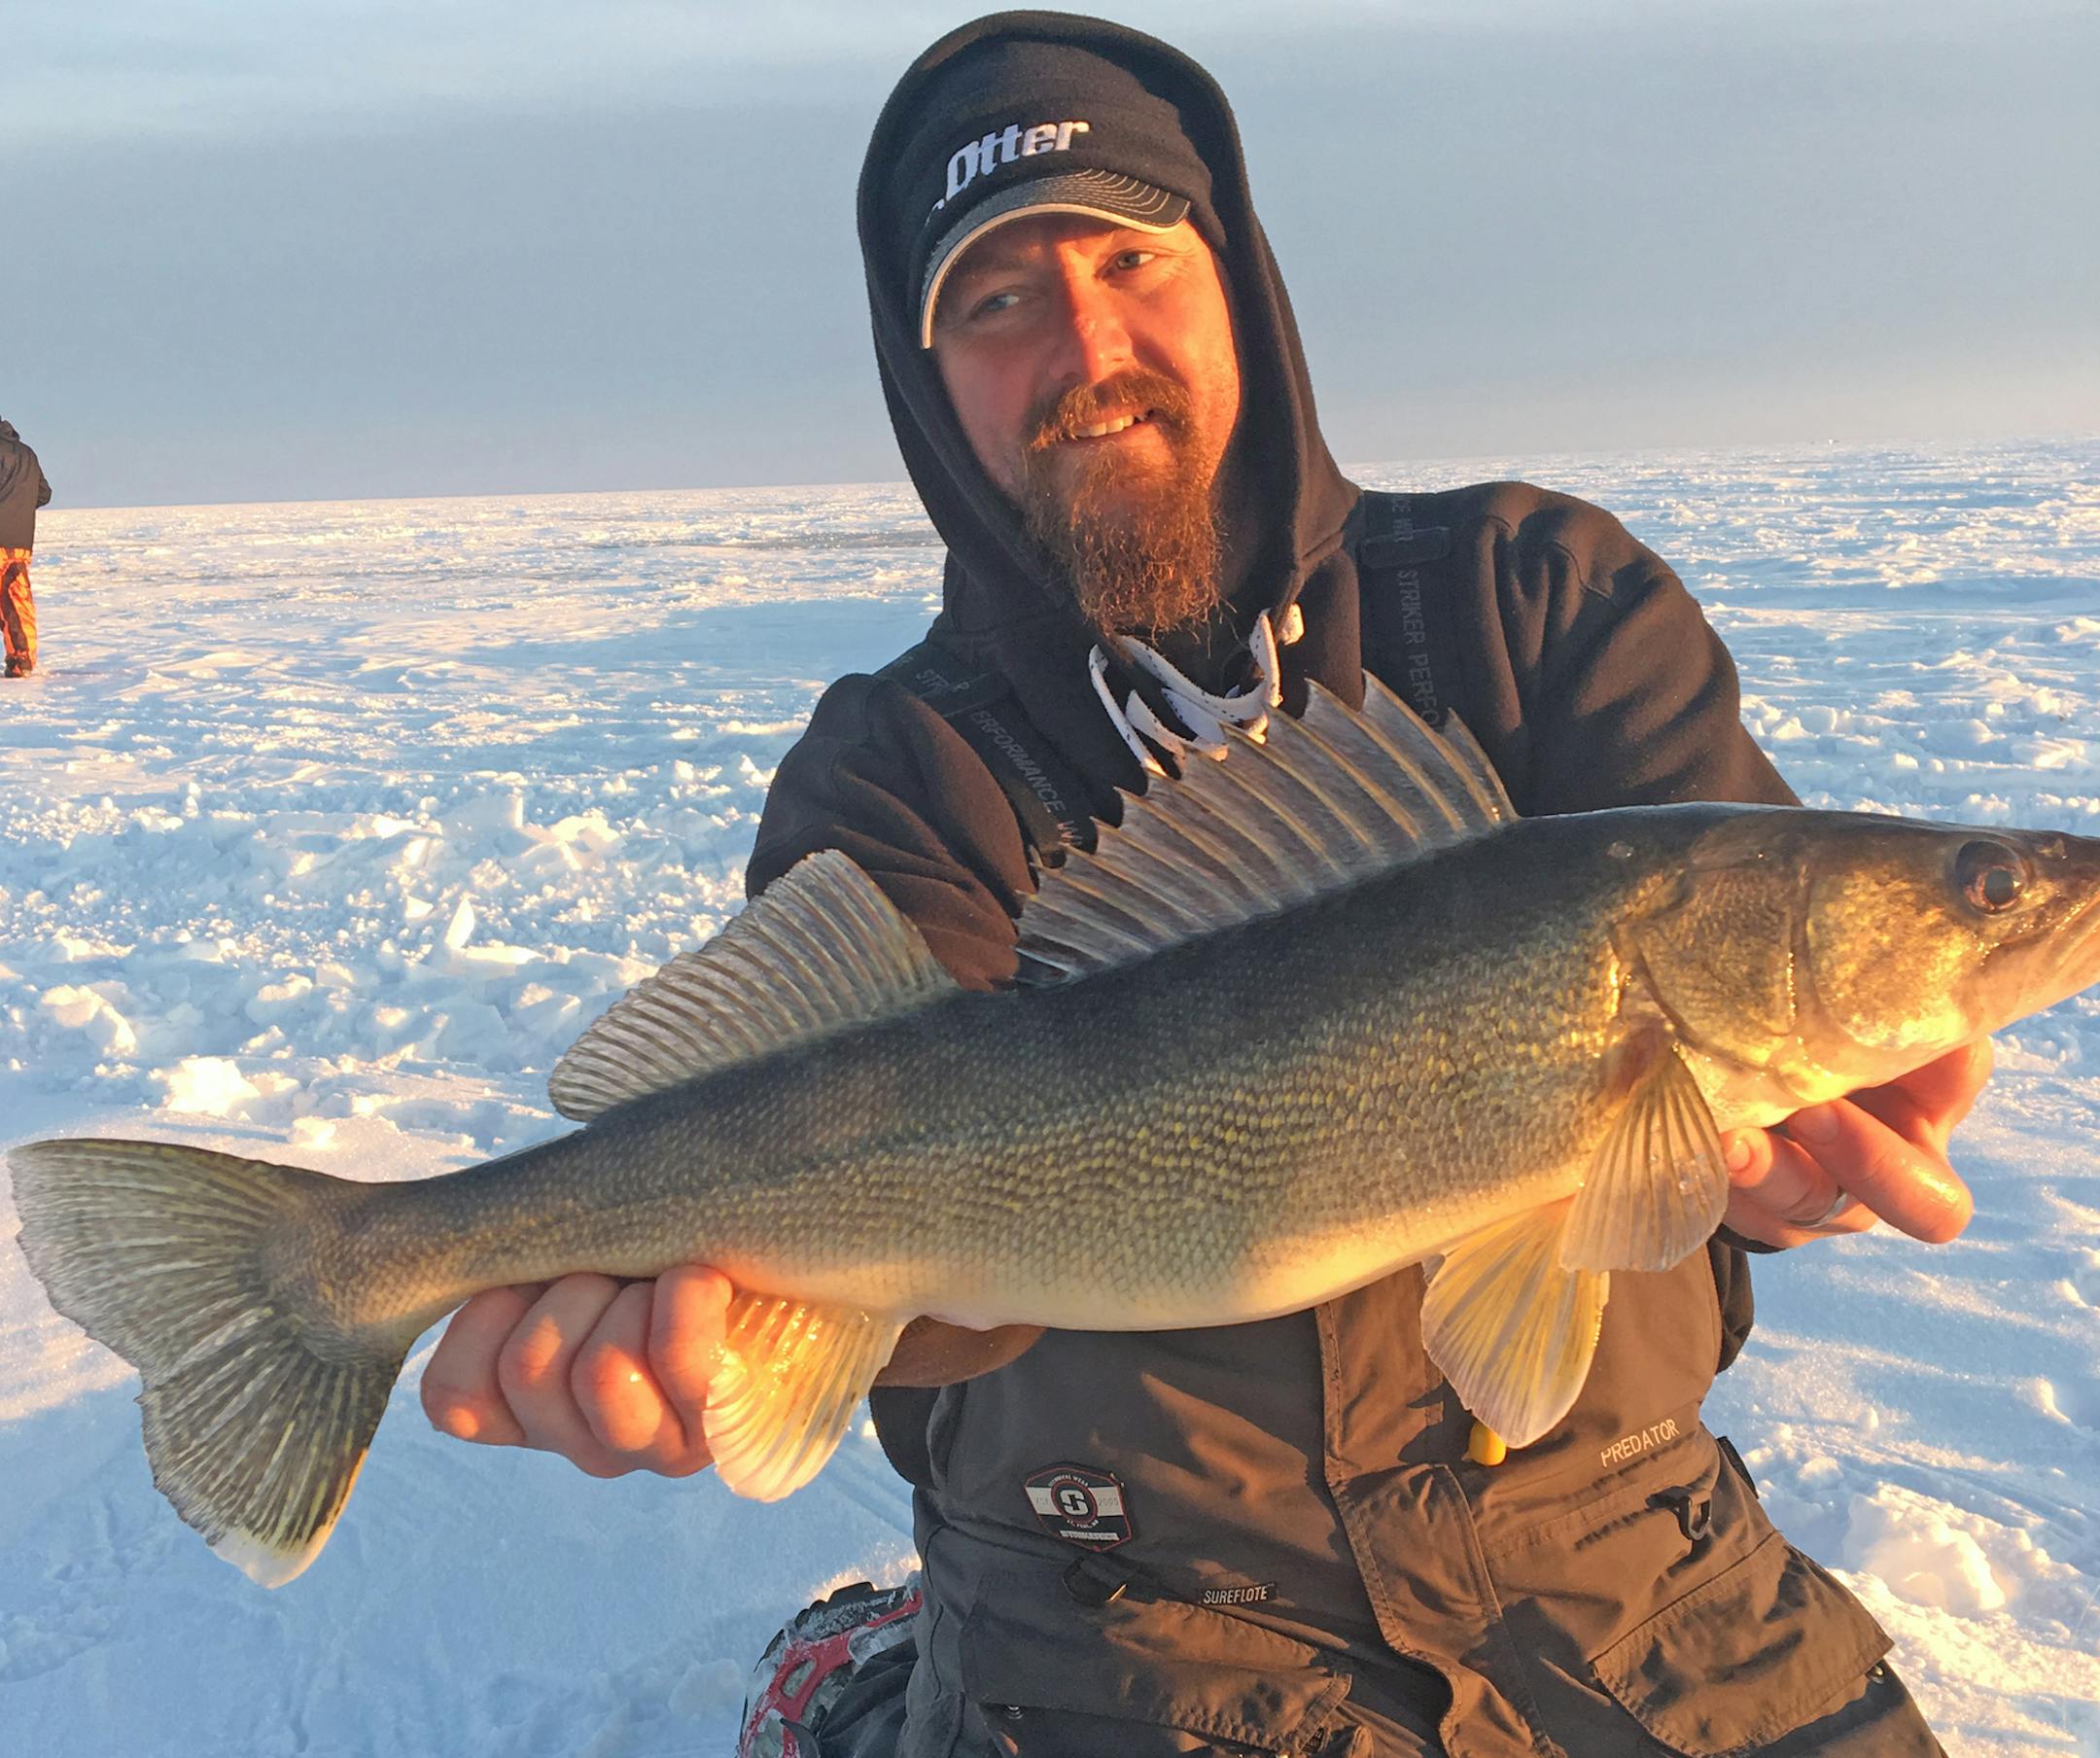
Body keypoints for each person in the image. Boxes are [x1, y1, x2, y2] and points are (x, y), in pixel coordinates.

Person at [421, 15, 1987, 1753]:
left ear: (1239, 280)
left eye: (1129, 256)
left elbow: (1727, 1024)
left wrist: (1773, 1171)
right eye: (997, 301)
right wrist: (726, 1313)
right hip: (1117, 1619)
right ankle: (885, 1671)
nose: (1087, 343)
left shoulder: (1529, 598)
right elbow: (920, 1248)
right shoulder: (895, 767)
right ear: (925, 380)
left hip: (1631, 1572)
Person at [0, 418, 51, 678]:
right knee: (16, 600)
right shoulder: (27, 453)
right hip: (19, 543)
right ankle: (22, 660)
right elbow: (44, 494)